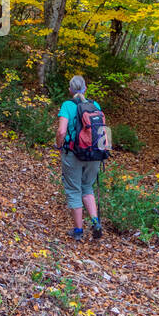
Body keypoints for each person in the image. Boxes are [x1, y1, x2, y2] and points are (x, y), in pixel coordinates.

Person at [56, 74, 103, 241]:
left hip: (73, 153)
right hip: (94, 153)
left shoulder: (67, 105)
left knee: (74, 190)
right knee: (87, 187)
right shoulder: (95, 105)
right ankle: (95, 221)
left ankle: (78, 231)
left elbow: (61, 131)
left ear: (70, 90)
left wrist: (59, 145)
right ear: (85, 88)